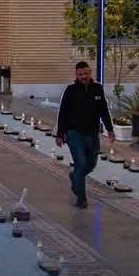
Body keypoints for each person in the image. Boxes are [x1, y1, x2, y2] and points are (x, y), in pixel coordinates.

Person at [53, 60, 114, 209]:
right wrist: (60, 134)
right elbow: (63, 113)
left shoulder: (97, 89)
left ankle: (75, 176)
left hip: (92, 133)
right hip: (74, 133)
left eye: (86, 73)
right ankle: (81, 197)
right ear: (76, 75)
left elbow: (103, 110)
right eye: (80, 74)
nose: (83, 77)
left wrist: (110, 129)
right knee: (80, 163)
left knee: (91, 164)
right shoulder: (71, 90)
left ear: (90, 72)